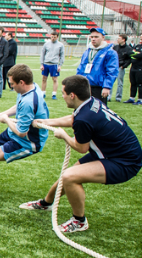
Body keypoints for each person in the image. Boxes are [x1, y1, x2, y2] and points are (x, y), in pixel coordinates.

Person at [20, 75, 142, 233]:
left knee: (70, 176)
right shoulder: (91, 102)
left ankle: (79, 221)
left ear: (72, 95)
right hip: (111, 152)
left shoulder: (84, 119)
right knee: (67, 175)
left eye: (63, 93)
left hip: (124, 162)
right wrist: (47, 122)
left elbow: (81, 147)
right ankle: (45, 203)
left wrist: (63, 135)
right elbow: (73, 118)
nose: (62, 96)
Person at [76, 27, 118, 105]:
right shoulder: (87, 51)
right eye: (92, 37)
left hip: (98, 87)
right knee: (82, 112)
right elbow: (80, 68)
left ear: (103, 37)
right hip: (85, 87)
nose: (93, 39)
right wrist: (77, 83)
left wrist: (107, 86)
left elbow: (112, 71)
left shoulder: (110, 52)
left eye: (96, 37)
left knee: (97, 113)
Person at [40, 31, 65, 100]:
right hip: (46, 64)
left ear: (57, 37)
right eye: (52, 36)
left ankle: (54, 94)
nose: (53, 38)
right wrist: (41, 64)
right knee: (44, 78)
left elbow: (62, 55)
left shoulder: (60, 45)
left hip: (54, 64)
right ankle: (43, 93)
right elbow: (42, 54)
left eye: (54, 37)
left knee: (54, 79)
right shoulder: (46, 44)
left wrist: (60, 65)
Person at [124, 36, 142, 105]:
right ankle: (132, 98)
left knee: (140, 84)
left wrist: (135, 54)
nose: (141, 40)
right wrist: (136, 54)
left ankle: (140, 99)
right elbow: (130, 53)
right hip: (133, 67)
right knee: (133, 83)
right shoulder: (137, 46)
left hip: (140, 68)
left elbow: (140, 56)